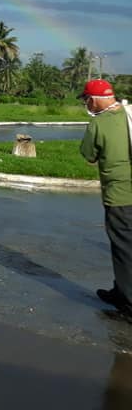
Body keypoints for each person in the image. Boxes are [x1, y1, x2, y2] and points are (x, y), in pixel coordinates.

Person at [80, 79, 132, 314]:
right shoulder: (129, 114)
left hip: (120, 195)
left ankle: (128, 302)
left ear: (93, 100)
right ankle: (119, 290)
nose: (86, 104)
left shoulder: (98, 124)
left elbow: (88, 154)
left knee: (123, 247)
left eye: (86, 99)